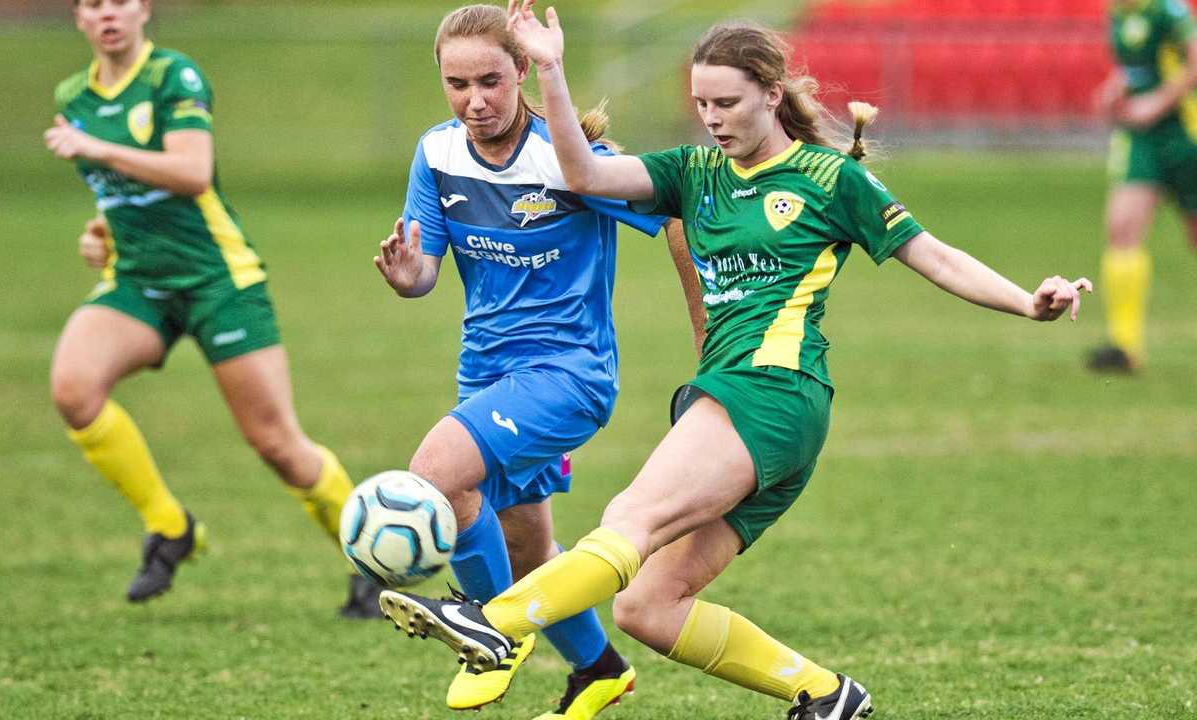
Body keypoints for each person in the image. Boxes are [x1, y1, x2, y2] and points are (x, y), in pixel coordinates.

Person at [377, 4, 1093, 720]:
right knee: (647, 606)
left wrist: (1029, 301)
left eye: (728, 102)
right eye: (700, 104)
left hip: (772, 392)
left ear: (772, 94)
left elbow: (934, 256)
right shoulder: (695, 172)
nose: (712, 118)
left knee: (631, 515)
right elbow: (583, 176)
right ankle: (824, 695)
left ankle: (495, 623)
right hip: (754, 410)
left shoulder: (827, 177)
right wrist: (555, 71)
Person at [371, 5, 696, 717]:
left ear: (521, 71)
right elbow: (425, 266)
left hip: (569, 375)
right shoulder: (437, 153)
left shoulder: (570, 159)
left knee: (437, 476)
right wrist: (409, 276)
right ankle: (599, 669)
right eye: (457, 85)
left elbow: (677, 218)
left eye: (490, 80)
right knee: (525, 550)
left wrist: (713, 341)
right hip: (485, 373)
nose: (475, 101)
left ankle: (491, 631)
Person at [43, 0, 380, 616]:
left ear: (143, 9)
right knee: (73, 387)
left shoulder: (175, 76)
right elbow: (120, 195)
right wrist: (100, 233)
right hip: (139, 280)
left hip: (218, 279)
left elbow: (192, 173)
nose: (107, 14)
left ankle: (369, 561)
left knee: (276, 443)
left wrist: (96, 147)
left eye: (120, 1)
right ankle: (170, 528)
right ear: (79, 17)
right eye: (92, 4)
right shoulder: (74, 94)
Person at [1089, 0, 1197, 372]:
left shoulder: (1169, 12)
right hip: (1142, 140)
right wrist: (1113, 89)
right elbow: (1138, 70)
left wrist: (1158, 102)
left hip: (1187, 134)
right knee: (1122, 230)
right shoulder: (1118, 13)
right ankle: (1125, 347)